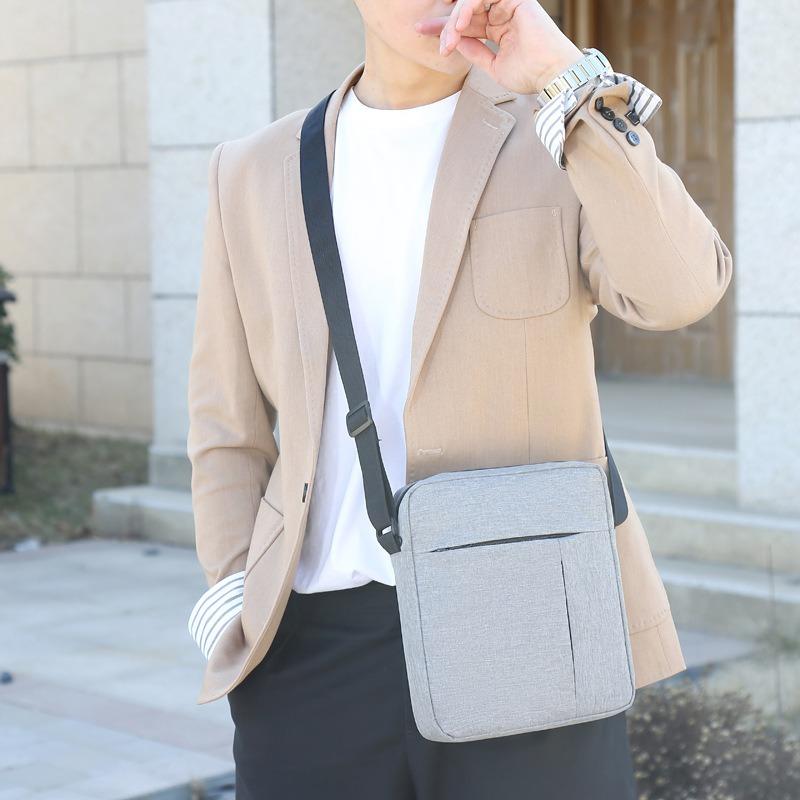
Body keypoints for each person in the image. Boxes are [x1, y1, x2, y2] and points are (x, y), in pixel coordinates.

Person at [185, 1, 734, 798]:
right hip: (311, 648)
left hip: (533, 623)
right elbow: (225, 424)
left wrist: (564, 78)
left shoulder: (559, 134)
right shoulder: (252, 170)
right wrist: (237, 600)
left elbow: (681, 290)